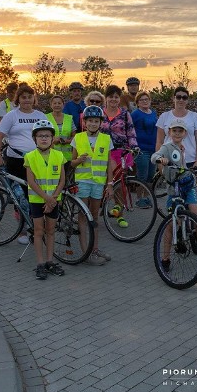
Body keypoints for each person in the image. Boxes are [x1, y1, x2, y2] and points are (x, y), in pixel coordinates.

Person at [151, 119, 197, 270]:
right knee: (171, 225)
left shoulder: (182, 147)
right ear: (169, 132)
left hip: (187, 185)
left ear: (185, 133)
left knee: (196, 214)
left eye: (180, 131)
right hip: (174, 189)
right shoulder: (167, 147)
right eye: (174, 130)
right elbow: (154, 156)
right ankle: (166, 258)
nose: (177, 133)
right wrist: (160, 159)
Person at [0, 84, 42, 245]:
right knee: (20, 196)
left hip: (37, 161)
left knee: (36, 195)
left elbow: (49, 136)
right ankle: (23, 230)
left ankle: (37, 228)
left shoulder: (41, 115)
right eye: (23, 97)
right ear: (18, 99)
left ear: (33, 98)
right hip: (16, 160)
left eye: (29, 97)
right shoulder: (11, 116)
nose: (27, 100)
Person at [71, 105, 115, 266]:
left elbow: (109, 163)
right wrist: (78, 160)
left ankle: (94, 249)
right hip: (82, 182)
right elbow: (72, 163)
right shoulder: (78, 138)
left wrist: (110, 184)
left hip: (98, 183)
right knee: (83, 216)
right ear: (85, 122)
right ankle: (86, 252)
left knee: (95, 216)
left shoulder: (106, 139)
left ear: (100, 123)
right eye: (90, 121)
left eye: (96, 121)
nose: (93, 124)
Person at [23, 120, 67, 280]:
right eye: (40, 136)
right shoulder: (30, 157)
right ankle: (40, 263)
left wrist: (52, 199)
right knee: (38, 231)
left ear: (52, 138)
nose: (44, 139)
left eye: (47, 136)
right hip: (37, 200)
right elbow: (31, 181)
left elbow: (62, 180)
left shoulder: (59, 155)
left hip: (54, 201)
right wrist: (47, 198)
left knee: (50, 231)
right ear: (34, 138)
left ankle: (50, 261)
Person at [101, 84, 138, 234]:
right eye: (111, 97)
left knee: (120, 184)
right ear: (106, 98)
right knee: (105, 183)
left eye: (116, 97)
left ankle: (119, 215)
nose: (113, 99)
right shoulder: (99, 113)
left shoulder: (124, 113)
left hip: (121, 151)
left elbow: (131, 131)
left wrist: (134, 146)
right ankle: (101, 209)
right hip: (102, 152)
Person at [155, 86, 197, 170]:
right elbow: (159, 141)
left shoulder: (194, 116)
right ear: (173, 98)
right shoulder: (164, 116)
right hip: (169, 160)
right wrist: (159, 161)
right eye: (178, 97)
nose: (181, 100)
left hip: (190, 160)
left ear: (187, 100)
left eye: (184, 98)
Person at [131, 90, 158, 204]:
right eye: (142, 100)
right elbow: (130, 130)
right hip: (141, 149)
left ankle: (147, 197)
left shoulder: (153, 113)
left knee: (151, 175)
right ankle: (139, 198)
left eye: (147, 99)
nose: (145, 101)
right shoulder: (135, 114)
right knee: (142, 174)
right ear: (137, 103)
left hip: (154, 148)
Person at [45, 95, 74, 164]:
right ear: (51, 105)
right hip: (51, 156)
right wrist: (53, 140)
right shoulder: (45, 118)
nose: (57, 105)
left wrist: (68, 141)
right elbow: (42, 135)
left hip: (67, 157)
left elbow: (74, 136)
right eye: (54, 103)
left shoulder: (69, 118)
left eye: (59, 103)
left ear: (63, 105)